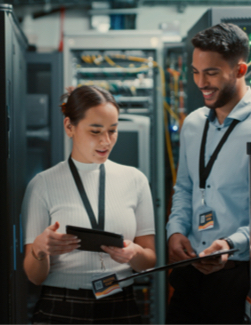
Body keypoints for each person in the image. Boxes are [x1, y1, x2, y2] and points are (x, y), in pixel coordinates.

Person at [22, 85, 157, 324]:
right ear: (69, 127)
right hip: (61, 306)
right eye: (95, 131)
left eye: (113, 130)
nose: (106, 141)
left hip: (119, 303)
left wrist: (134, 254)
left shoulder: (135, 180)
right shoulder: (42, 184)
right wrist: (39, 249)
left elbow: (149, 259)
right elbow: (34, 277)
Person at [165, 23, 251, 324]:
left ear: (240, 70)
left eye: (211, 73)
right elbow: (185, 188)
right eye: (195, 71)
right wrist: (175, 230)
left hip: (237, 275)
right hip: (191, 273)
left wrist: (232, 244)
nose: (200, 82)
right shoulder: (193, 124)